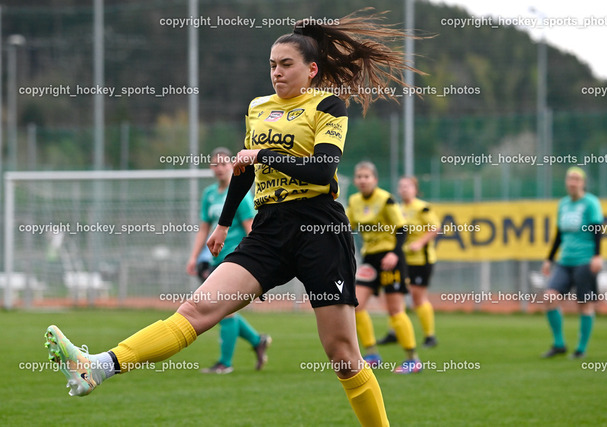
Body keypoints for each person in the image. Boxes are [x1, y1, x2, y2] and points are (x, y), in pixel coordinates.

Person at [44, 11, 423, 426]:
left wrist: (263, 155)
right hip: (270, 227)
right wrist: (223, 223)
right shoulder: (258, 107)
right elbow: (244, 170)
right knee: (196, 310)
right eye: (272, 65)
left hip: (319, 228)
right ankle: (98, 366)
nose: (276, 73)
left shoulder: (328, 105)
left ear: (312, 70)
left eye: (286, 64)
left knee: (344, 358)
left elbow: (321, 170)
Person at [185, 147, 271, 374]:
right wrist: (194, 257)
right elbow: (204, 228)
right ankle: (257, 341)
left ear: (232, 165)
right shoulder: (209, 194)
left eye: (224, 163)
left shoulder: (240, 193)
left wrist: (256, 260)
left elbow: (251, 228)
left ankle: (225, 363)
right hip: (217, 260)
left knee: (224, 309)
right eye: (215, 164)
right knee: (221, 310)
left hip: (236, 259)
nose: (219, 168)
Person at [346, 162, 421, 374]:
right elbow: (347, 228)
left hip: (391, 258)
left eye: (366, 176)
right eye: (359, 176)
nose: (362, 180)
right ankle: (371, 355)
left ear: (375, 180)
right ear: (355, 180)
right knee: (356, 305)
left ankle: (413, 360)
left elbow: (402, 229)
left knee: (395, 310)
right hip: (370, 259)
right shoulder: (354, 201)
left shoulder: (386, 199)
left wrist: (394, 253)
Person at [541, 166, 603, 359]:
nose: (572, 183)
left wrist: (597, 256)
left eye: (576, 179)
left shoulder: (591, 203)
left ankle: (581, 349)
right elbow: (559, 234)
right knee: (549, 298)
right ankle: (559, 344)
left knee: (584, 304)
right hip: (565, 261)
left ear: (583, 183)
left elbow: (597, 229)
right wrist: (549, 259)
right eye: (570, 179)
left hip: (585, 260)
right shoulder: (563, 204)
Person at [377, 177, 440, 348]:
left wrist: (420, 243)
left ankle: (429, 336)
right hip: (401, 259)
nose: (404, 189)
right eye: (401, 186)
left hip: (420, 260)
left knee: (418, 297)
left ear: (415, 189)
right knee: (395, 295)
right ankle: (394, 332)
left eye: (408, 186)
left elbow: (435, 227)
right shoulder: (397, 208)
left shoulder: (422, 207)